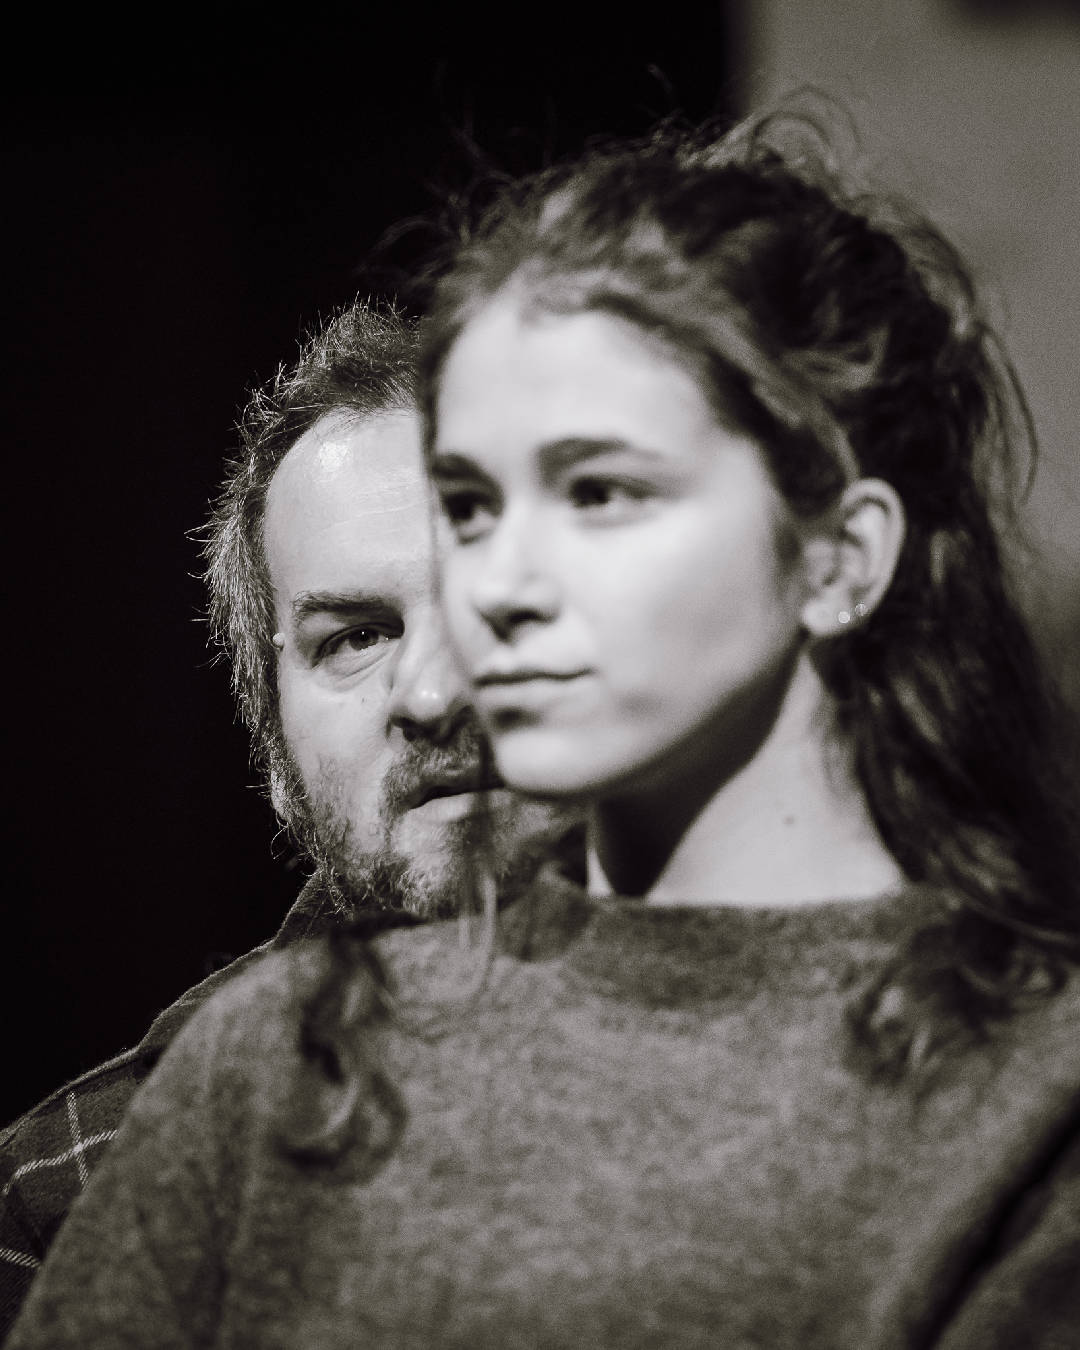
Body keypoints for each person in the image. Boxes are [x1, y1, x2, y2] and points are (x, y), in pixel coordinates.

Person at [9, 108, 1080, 1348]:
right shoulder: (264, 1067)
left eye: (600, 493)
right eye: (477, 509)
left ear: (839, 555)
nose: (491, 602)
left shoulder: (1026, 1094)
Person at [0, 303, 572, 1339]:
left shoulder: (868, 1065)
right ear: (272, 747)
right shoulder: (69, 1188)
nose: (434, 693)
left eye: (501, 609)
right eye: (354, 635)